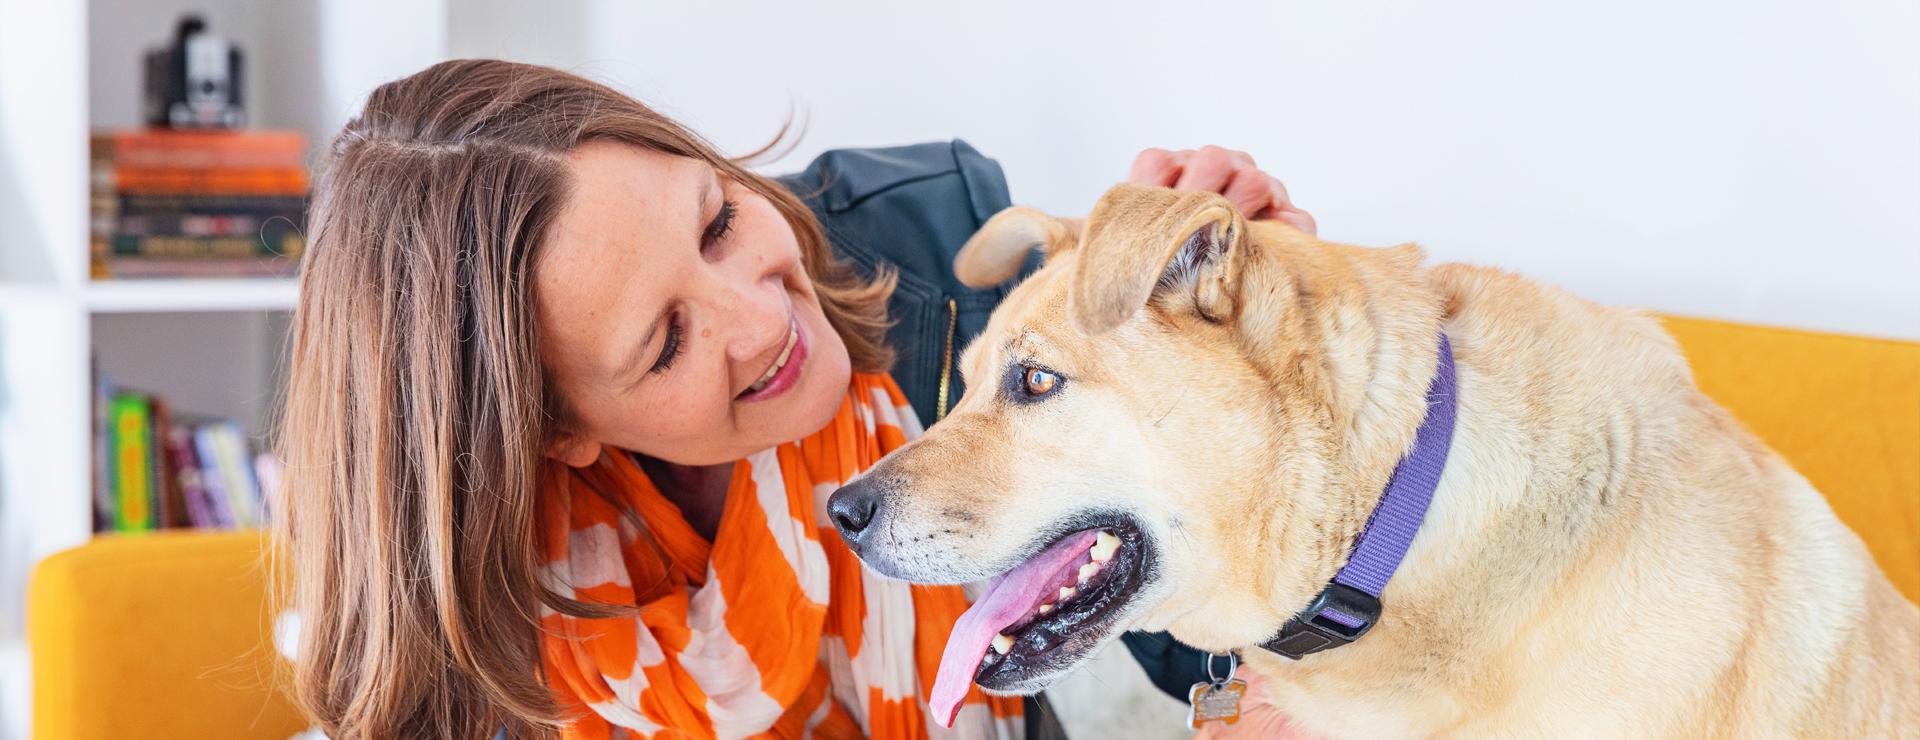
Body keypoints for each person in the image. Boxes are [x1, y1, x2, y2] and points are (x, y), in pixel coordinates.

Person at [274, 59, 1316, 739]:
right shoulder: (483, 628)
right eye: (668, 341)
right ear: (557, 430)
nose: (765, 320)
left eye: (719, 219)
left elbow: (1217, 642)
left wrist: (1264, 370)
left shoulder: (939, 250)